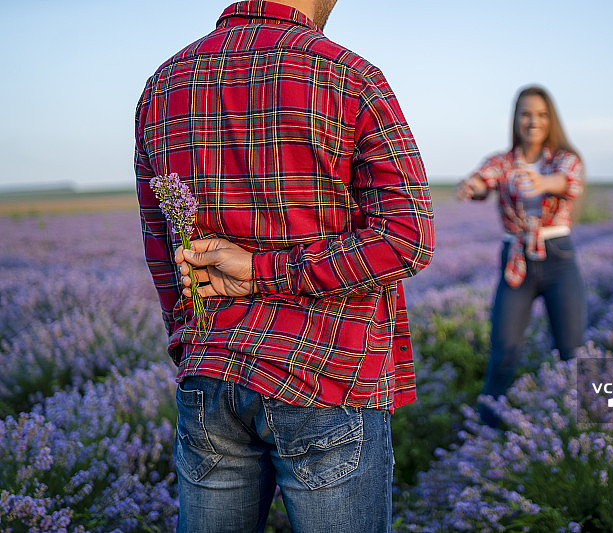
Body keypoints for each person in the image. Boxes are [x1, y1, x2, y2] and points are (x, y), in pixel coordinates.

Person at [134, 1, 435, 531]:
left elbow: (163, 255)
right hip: (326, 372)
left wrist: (190, 342)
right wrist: (260, 269)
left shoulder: (162, 85)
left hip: (211, 371)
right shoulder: (350, 76)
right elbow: (406, 238)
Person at [456, 85, 586, 427]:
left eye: (541, 115)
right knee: (503, 353)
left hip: (558, 257)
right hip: (516, 260)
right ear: (515, 118)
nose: (533, 121)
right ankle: (485, 431)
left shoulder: (563, 159)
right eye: (526, 114)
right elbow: (485, 178)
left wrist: (543, 183)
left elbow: (569, 181)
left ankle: (578, 429)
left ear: (550, 119)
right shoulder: (504, 161)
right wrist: (472, 185)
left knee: (571, 352)